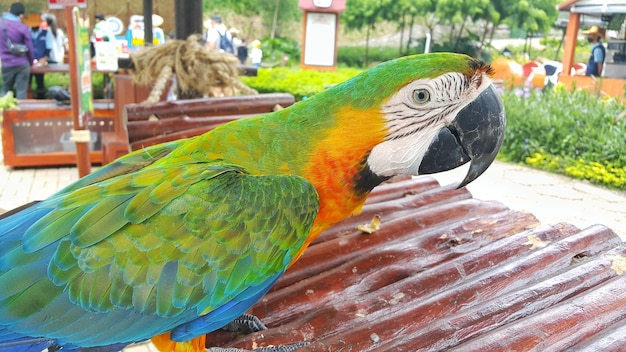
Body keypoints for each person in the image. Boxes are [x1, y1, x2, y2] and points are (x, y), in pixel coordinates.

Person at [0, 2, 35, 99]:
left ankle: (1, 112)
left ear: (9, 10)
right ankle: (20, 113)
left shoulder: (1, 24)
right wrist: (31, 62)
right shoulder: (23, 27)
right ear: (21, 15)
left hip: (6, 63)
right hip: (22, 64)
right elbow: (30, 48)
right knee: (21, 92)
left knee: (6, 89)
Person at [27, 13, 49, 99]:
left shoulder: (46, 33)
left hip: (41, 62)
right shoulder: (26, 33)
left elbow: (48, 48)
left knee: (40, 82)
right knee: (27, 82)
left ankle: (41, 99)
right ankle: (27, 100)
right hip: (28, 61)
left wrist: (44, 58)